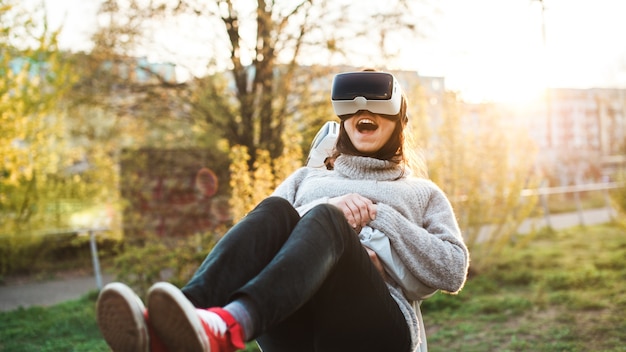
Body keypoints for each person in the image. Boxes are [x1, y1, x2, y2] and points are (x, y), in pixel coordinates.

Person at [96, 69, 470, 352]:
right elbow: (260, 244)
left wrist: (379, 216)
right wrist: (327, 207)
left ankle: (232, 325)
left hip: (376, 328)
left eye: (375, 103)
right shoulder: (304, 179)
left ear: (398, 121)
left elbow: (453, 270)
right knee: (275, 209)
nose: (363, 108)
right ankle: (180, 322)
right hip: (291, 314)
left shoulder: (422, 192)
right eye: (352, 103)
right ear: (341, 119)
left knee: (328, 219)